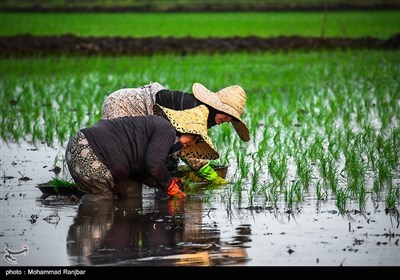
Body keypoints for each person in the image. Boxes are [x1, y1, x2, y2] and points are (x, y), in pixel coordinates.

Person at [102, 82, 250, 185]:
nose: (229, 120)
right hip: (124, 105)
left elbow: (182, 142)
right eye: (228, 115)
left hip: (145, 110)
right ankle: (102, 182)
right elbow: (187, 148)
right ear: (217, 108)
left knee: (165, 155)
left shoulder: (207, 114)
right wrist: (209, 174)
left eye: (233, 118)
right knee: (127, 154)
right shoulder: (194, 111)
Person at [65, 104, 219, 203]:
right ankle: (83, 202)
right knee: (102, 200)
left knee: (132, 189)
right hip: (87, 150)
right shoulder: (166, 129)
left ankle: (126, 226)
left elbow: (144, 170)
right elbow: (153, 164)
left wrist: (165, 180)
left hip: (84, 149)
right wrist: (170, 186)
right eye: (194, 138)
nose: (192, 144)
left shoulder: (163, 134)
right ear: (184, 129)